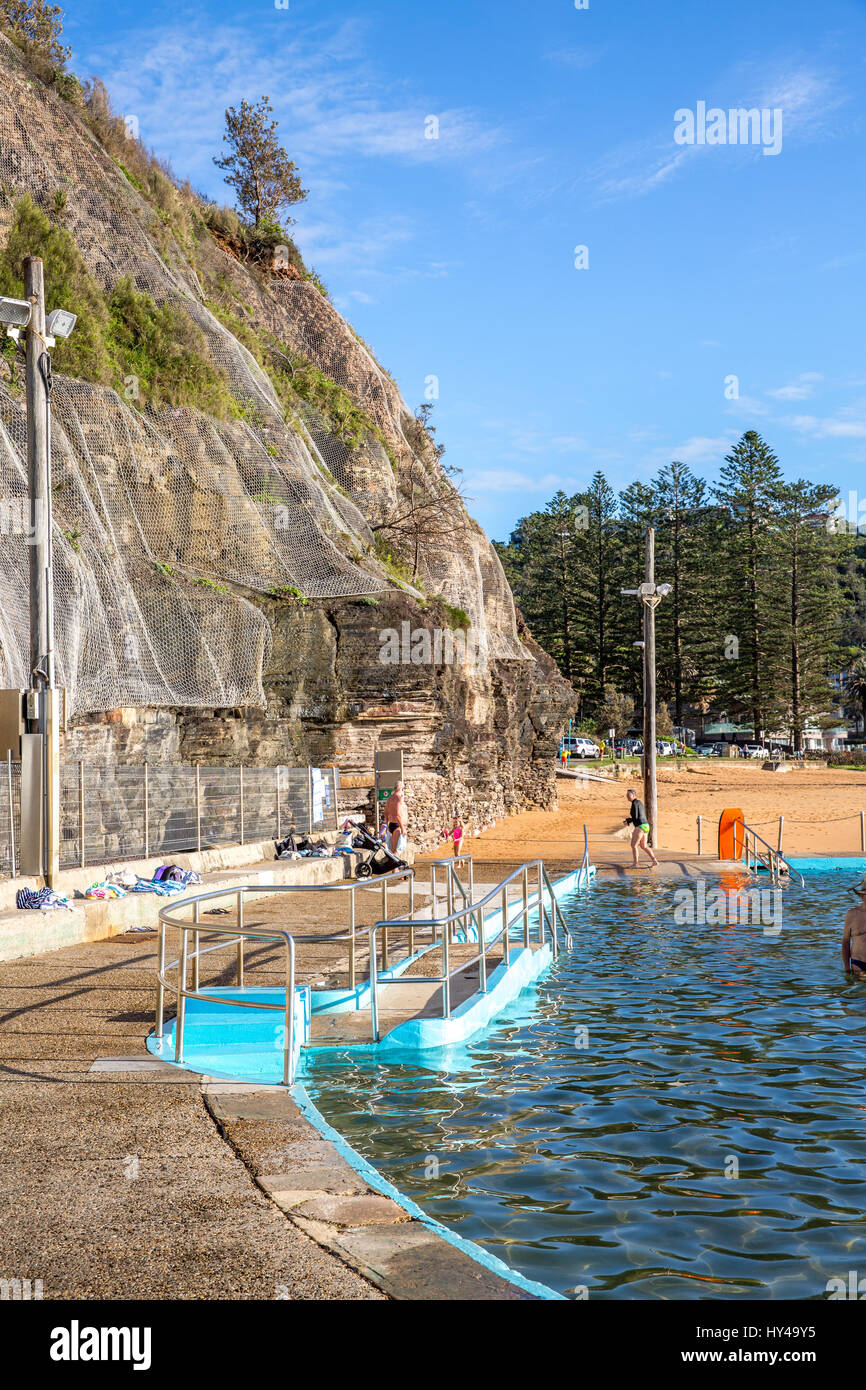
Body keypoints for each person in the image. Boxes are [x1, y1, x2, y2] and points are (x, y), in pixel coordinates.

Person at [625, 788, 658, 868]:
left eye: (629, 795)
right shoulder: (639, 802)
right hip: (646, 825)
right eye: (627, 795)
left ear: (633, 795)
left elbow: (635, 817)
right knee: (644, 846)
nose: (627, 796)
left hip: (640, 826)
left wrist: (628, 821)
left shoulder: (634, 804)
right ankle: (654, 861)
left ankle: (635, 864)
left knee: (634, 845)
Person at [842, 877, 866, 978]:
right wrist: (847, 968)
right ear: (861, 896)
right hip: (858, 964)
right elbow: (845, 943)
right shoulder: (852, 914)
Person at [381, 780, 408, 856]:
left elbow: (386, 813)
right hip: (398, 826)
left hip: (391, 825)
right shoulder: (398, 798)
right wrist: (402, 828)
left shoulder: (390, 798)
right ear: (402, 789)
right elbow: (398, 814)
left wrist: (387, 824)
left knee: (393, 851)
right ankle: (394, 867)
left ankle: (394, 867)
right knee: (396, 852)